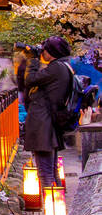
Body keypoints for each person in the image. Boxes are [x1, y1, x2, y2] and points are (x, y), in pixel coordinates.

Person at [23, 36, 74, 190]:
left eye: (44, 49)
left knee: (45, 173)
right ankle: (56, 208)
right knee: (51, 171)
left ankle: (51, 210)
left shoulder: (57, 68)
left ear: (51, 51)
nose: (42, 52)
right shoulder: (63, 67)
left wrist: (32, 60)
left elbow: (30, 80)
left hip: (43, 125)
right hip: (48, 124)